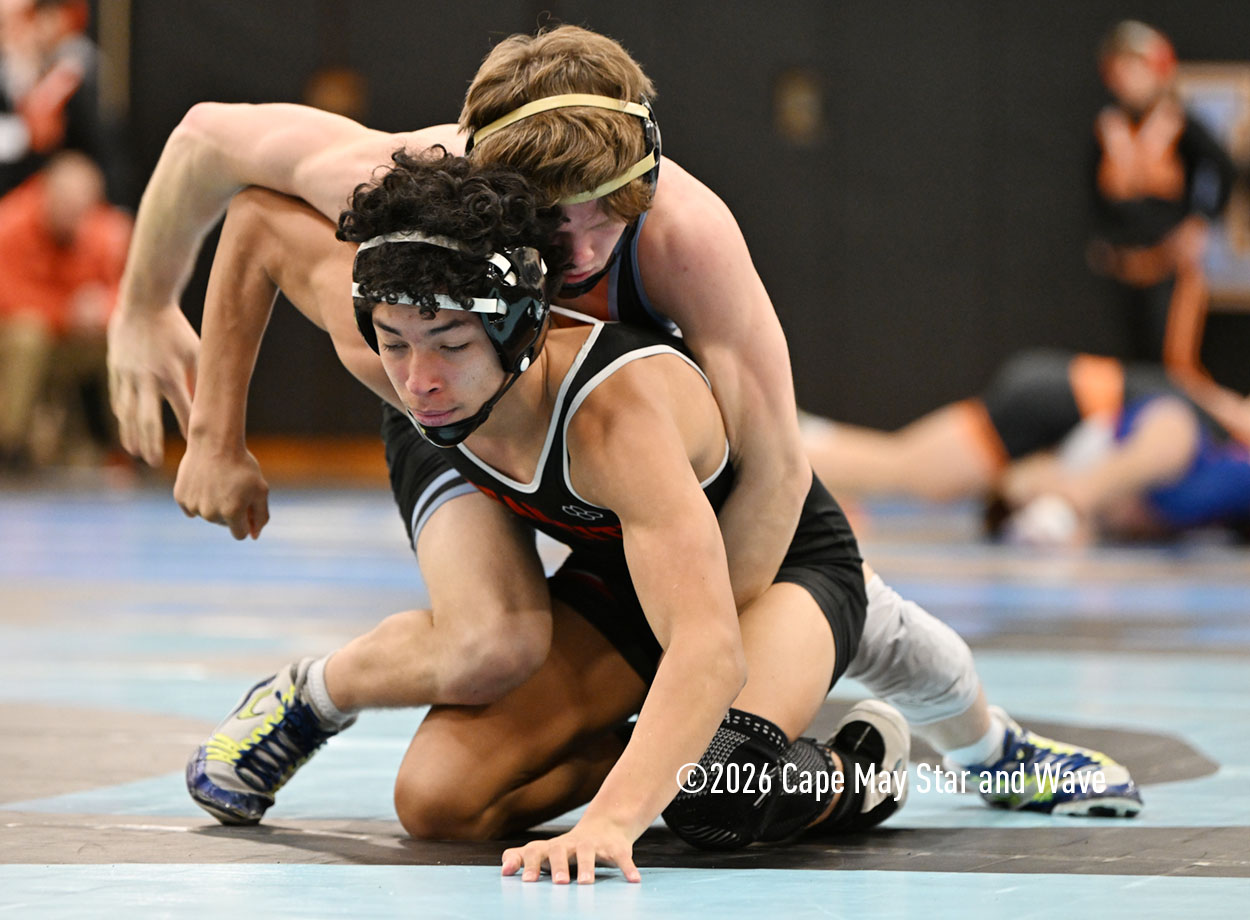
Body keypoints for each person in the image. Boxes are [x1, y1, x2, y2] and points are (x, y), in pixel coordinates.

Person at [186, 155, 1141, 884]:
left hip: (773, 563)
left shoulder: (615, 416)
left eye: (448, 343)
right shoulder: (394, 336)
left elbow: (709, 647)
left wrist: (612, 820)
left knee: (714, 791)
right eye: (395, 343)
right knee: (439, 802)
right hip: (630, 567)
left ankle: (862, 773)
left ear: (521, 326)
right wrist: (214, 438)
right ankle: (672, 738)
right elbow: (258, 218)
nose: (418, 378)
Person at [803, 348, 1250, 545]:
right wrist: (1076, 500)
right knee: (908, 470)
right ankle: (792, 446)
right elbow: (1174, 426)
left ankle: (806, 440)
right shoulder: (1192, 425)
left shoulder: (1216, 476)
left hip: (1073, 418)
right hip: (1068, 401)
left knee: (908, 468)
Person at [1089, 20, 1236, 382]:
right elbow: (1094, 190)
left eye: (1136, 68)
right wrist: (1101, 236)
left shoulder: (1176, 121)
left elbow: (1224, 169)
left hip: (1169, 266)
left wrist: (1200, 221)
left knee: (1173, 368)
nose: (1128, 79)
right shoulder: (1108, 126)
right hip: (1124, 268)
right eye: (1120, 69)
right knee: (1127, 371)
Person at [0, 150, 130, 467]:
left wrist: (104, 306)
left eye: (82, 209)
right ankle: (9, 445)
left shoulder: (106, 230)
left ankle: (131, 445)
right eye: (67, 207)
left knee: (124, 338)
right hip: (17, 343)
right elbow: (6, 295)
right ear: (46, 194)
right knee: (27, 336)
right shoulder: (9, 223)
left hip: (71, 344)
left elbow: (133, 293)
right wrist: (65, 312)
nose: (75, 218)